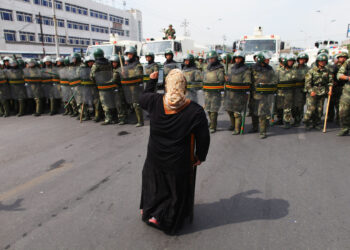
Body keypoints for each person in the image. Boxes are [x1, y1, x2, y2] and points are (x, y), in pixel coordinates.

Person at [139, 69, 210, 235]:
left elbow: (143, 96)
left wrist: (151, 80)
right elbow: (203, 137)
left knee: (155, 183)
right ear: (184, 86)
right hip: (179, 161)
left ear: (167, 85)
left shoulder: (154, 101)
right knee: (174, 189)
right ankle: (165, 217)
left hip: (155, 157)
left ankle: (149, 211)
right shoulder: (195, 110)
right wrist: (200, 156)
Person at [250, 51, 277, 139]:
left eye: (268, 59)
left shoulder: (270, 69)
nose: (268, 61)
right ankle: (254, 127)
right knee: (253, 111)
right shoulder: (252, 68)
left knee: (262, 113)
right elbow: (248, 79)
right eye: (266, 59)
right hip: (253, 94)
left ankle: (263, 131)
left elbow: (274, 80)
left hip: (264, 95)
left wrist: (270, 85)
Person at [303, 53, 333, 130]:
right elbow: (307, 83)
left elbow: (330, 82)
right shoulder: (312, 71)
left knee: (319, 109)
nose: (322, 62)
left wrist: (330, 90)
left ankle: (316, 123)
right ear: (318, 62)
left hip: (322, 91)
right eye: (321, 61)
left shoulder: (327, 71)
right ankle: (307, 122)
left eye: (324, 61)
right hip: (313, 91)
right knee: (311, 109)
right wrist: (311, 91)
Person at [224, 51, 251, 134]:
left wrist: (245, 90)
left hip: (240, 94)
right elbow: (228, 78)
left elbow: (247, 82)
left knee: (237, 112)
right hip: (230, 93)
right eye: (236, 58)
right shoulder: (231, 68)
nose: (237, 60)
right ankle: (233, 124)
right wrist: (227, 79)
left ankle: (237, 129)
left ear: (242, 59)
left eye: (239, 58)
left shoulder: (246, 70)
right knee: (229, 110)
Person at [120, 46, 144, 127]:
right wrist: (124, 74)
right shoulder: (128, 65)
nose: (129, 56)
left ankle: (140, 121)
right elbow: (126, 76)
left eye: (130, 54)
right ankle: (134, 119)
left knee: (136, 104)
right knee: (131, 104)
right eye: (128, 54)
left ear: (134, 54)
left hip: (136, 87)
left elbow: (138, 76)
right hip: (129, 87)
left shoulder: (137, 65)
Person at [202, 50, 225, 133]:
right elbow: (204, 78)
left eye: (212, 59)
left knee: (214, 110)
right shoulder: (207, 68)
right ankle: (211, 122)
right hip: (207, 92)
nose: (211, 60)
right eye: (209, 59)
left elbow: (221, 80)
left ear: (216, 59)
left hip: (215, 92)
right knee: (208, 109)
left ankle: (213, 126)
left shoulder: (220, 68)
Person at [276, 54, 296, 128]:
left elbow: (294, 79)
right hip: (279, 91)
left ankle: (287, 121)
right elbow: (275, 81)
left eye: (292, 61)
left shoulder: (293, 70)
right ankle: (280, 120)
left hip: (289, 92)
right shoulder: (278, 71)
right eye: (289, 61)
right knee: (279, 106)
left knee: (287, 107)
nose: (290, 63)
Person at [328, 51, 348, 124]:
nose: (343, 59)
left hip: (344, 87)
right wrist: (332, 83)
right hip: (335, 87)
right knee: (331, 103)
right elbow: (331, 76)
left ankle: (339, 118)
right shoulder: (335, 66)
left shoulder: (347, 66)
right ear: (338, 58)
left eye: (344, 57)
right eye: (341, 57)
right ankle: (330, 117)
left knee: (340, 104)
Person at [293, 52, 309, 126]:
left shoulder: (307, 69)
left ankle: (298, 119)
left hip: (301, 89)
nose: (302, 61)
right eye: (301, 59)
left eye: (304, 59)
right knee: (293, 105)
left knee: (300, 105)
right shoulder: (294, 67)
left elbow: (308, 80)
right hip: (293, 89)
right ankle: (294, 118)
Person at [336, 57, 350, 136]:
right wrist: (348, 78)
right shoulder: (348, 62)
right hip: (348, 90)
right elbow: (339, 75)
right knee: (343, 111)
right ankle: (345, 128)